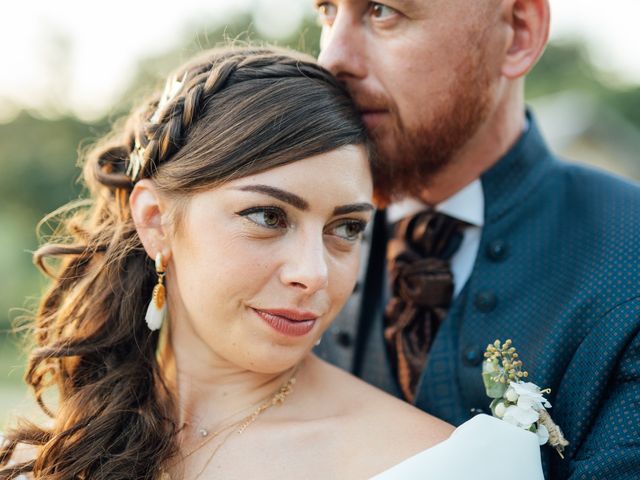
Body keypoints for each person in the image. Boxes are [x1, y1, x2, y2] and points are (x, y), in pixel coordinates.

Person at [0, 47, 545, 479]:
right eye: (268, 216)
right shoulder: (55, 446)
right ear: (156, 220)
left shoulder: (442, 466)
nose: (314, 273)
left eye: (346, 229)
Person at [313, 0, 640, 478]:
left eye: (382, 11)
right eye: (327, 10)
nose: (331, 59)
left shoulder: (629, 258)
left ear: (518, 32)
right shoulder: (277, 239)